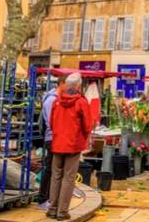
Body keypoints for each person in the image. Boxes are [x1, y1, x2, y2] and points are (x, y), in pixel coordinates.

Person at [47, 73, 95, 221]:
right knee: (68, 178)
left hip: (57, 143)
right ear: (79, 85)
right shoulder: (81, 102)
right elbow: (87, 125)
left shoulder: (56, 102)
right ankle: (62, 212)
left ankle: (52, 209)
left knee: (55, 177)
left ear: (67, 85)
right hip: (73, 144)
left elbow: (51, 123)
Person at [37, 81, 59, 207]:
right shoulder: (51, 100)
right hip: (52, 138)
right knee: (49, 169)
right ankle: (43, 199)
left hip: (52, 137)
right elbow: (52, 122)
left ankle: (48, 198)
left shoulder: (51, 98)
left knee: (51, 169)